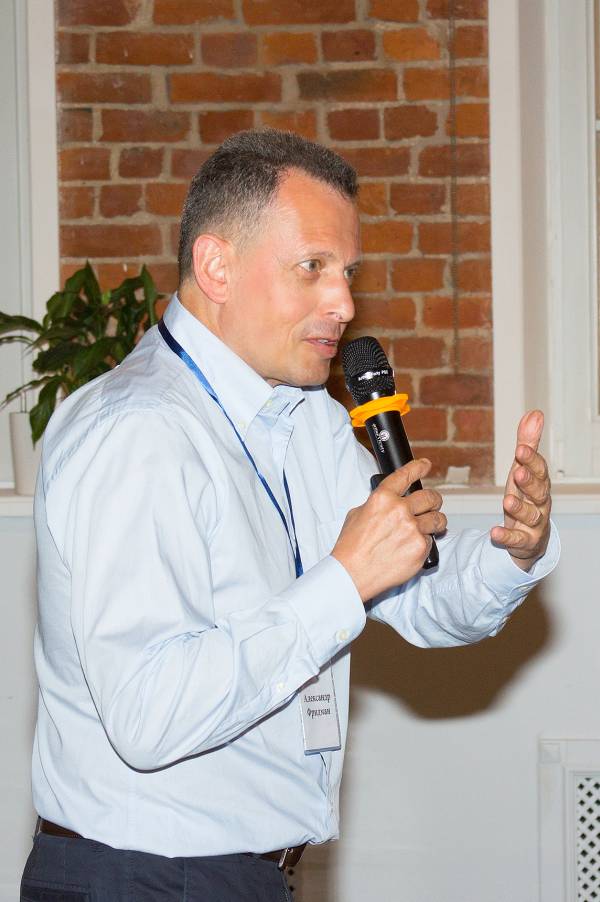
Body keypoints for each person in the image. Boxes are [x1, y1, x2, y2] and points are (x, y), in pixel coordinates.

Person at [21, 129, 559, 901]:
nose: (344, 304)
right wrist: (342, 580)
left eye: (347, 273)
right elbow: (149, 715)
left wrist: (514, 549)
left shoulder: (307, 420)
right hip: (140, 878)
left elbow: (418, 594)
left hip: (246, 877)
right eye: (313, 267)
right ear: (217, 266)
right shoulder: (140, 432)